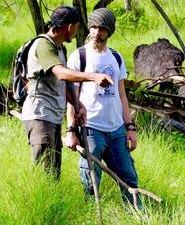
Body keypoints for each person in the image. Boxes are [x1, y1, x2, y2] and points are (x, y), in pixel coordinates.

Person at [21, 6, 113, 180]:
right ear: (70, 26)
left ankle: (53, 207)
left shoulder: (60, 49)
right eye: (77, 27)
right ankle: (39, 207)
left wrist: (80, 106)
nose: (78, 31)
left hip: (53, 117)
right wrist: (93, 77)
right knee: (44, 173)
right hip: (40, 115)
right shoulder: (43, 44)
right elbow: (62, 75)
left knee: (53, 174)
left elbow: (61, 86)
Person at [64, 8, 142, 208]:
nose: (97, 32)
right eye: (94, 27)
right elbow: (71, 97)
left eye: (102, 29)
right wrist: (71, 131)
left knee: (128, 178)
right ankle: (92, 215)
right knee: (91, 183)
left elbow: (122, 96)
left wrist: (130, 128)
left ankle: (137, 215)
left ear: (110, 31)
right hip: (91, 129)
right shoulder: (79, 56)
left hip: (116, 130)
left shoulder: (116, 58)